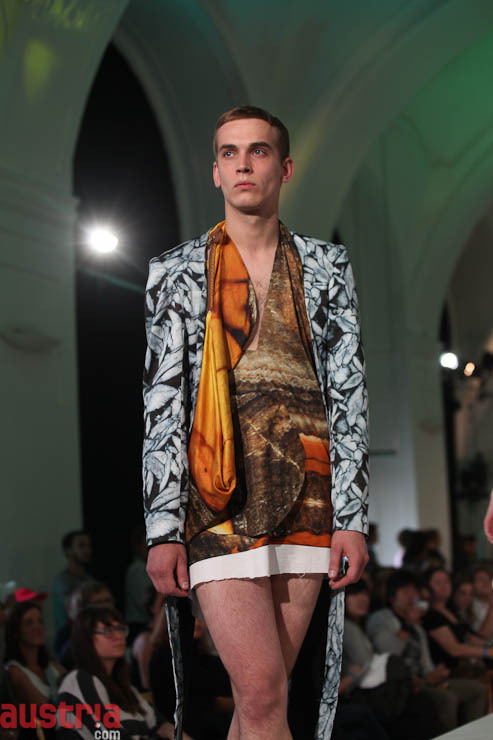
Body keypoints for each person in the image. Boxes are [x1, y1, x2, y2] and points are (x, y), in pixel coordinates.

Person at [143, 105, 370, 739]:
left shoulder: (327, 266)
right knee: (264, 693)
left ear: (285, 168)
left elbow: (349, 395)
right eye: (229, 153)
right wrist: (162, 528)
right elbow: (162, 400)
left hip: (309, 500)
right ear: (215, 172)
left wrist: (351, 518)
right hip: (217, 503)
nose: (243, 164)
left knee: (261, 702)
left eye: (258, 151)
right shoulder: (176, 271)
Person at [366, 570, 488, 730]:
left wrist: (434, 677)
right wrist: (408, 624)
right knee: (446, 699)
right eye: (405, 591)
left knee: (477, 690)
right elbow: (389, 654)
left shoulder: (418, 627)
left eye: (414, 592)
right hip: (397, 686)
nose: (411, 597)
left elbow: (425, 660)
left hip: (425, 680)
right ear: (392, 596)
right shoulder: (383, 618)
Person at [56, 606, 190, 740]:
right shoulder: (79, 680)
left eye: (120, 629)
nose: (119, 636)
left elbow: (160, 725)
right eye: (108, 631)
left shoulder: (125, 687)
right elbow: (110, 735)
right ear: (86, 639)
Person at [422, 568, 493, 675]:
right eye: (438, 582)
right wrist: (487, 652)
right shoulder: (430, 615)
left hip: (464, 669)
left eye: (446, 581)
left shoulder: (453, 612)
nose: (444, 586)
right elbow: (454, 649)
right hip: (446, 672)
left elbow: (471, 638)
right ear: (426, 587)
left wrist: (488, 647)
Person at [4, 600, 65, 707]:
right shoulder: (15, 671)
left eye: (40, 621)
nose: (37, 627)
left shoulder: (50, 664)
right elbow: (45, 708)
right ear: (16, 631)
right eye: (29, 623)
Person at [52, 530, 92, 631]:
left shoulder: (91, 581)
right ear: (68, 551)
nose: (87, 550)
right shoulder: (61, 582)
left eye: (88, 545)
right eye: (81, 546)